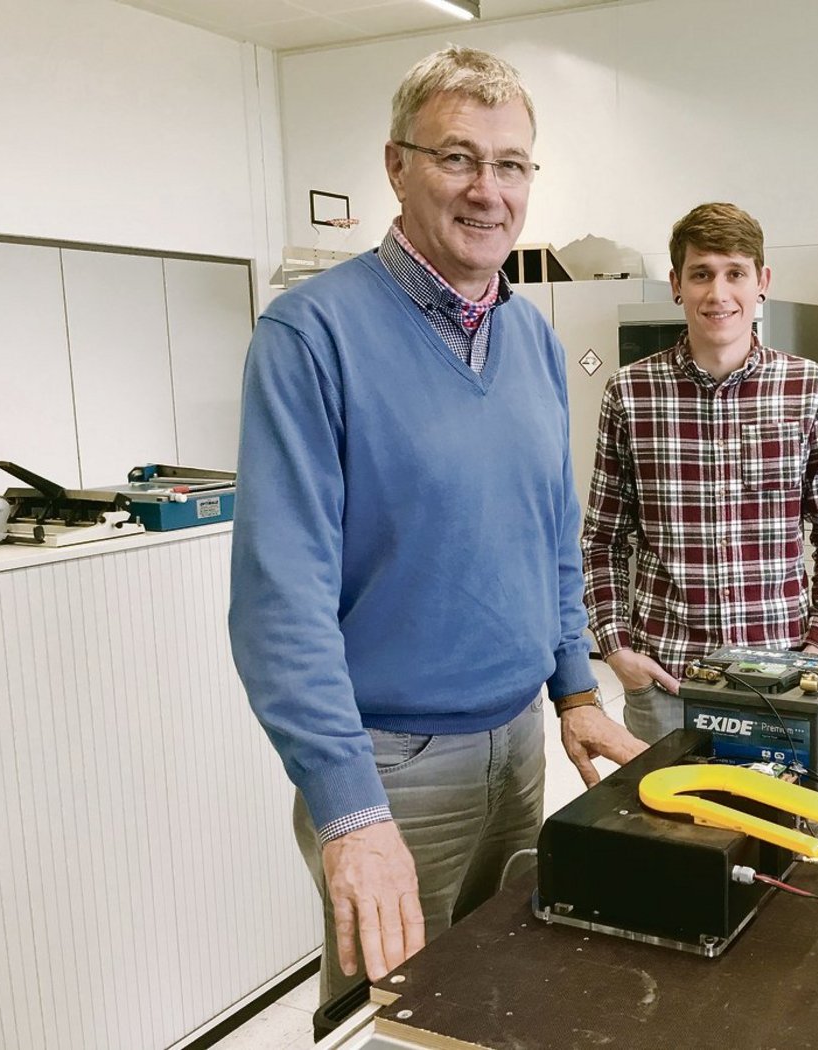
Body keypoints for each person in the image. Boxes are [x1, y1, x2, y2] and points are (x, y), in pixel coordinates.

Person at [229, 45, 644, 1001]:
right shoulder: (312, 336)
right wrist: (347, 812)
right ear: (396, 165)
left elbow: (550, 532)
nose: (487, 190)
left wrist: (574, 690)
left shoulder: (532, 335)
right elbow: (277, 603)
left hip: (520, 740)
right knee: (396, 1015)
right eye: (458, 157)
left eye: (511, 165)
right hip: (394, 765)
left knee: (503, 995)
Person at [581, 202, 818, 744]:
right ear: (676, 285)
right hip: (667, 681)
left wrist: (817, 651)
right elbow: (602, 542)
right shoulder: (630, 393)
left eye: (735, 273)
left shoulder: (809, 389)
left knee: (777, 823)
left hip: (779, 680)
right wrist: (616, 649)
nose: (718, 293)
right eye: (701, 274)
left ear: (762, 282)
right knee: (666, 828)